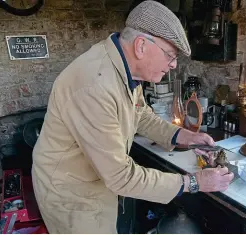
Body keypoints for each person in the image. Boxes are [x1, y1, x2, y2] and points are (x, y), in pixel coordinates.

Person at [31, 1, 234, 233]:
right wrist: (195, 182)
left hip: (97, 180)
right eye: (170, 55)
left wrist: (184, 136)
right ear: (141, 46)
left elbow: (142, 116)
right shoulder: (94, 86)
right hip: (72, 194)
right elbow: (121, 176)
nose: (174, 65)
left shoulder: (125, 68)